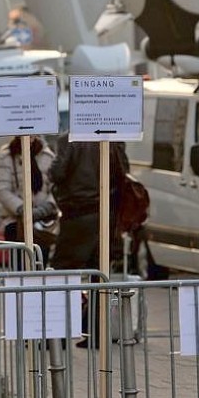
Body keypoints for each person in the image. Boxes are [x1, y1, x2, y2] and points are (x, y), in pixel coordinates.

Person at [49, 134, 129, 348]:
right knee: (99, 273)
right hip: (106, 215)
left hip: (78, 213)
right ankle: (97, 333)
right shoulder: (113, 137)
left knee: (63, 273)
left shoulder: (71, 139)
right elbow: (124, 172)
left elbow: (57, 173)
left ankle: (59, 335)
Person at [0, 136, 56, 265]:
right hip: (16, 221)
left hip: (42, 222)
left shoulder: (48, 156)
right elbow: (2, 188)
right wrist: (22, 208)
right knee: (19, 265)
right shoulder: (7, 156)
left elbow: (56, 187)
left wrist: (45, 208)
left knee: (40, 264)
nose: (31, 136)